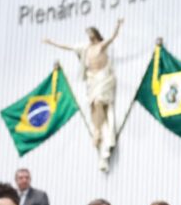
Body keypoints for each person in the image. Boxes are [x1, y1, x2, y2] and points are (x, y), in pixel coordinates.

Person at [43, 19, 124, 171]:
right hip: (92, 79)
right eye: (88, 34)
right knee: (94, 105)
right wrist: (51, 42)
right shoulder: (86, 49)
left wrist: (118, 25)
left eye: (91, 33)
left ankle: (99, 131)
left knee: (100, 101)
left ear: (95, 34)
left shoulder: (101, 46)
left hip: (103, 78)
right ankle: (97, 130)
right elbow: (68, 47)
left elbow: (113, 37)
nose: (89, 36)